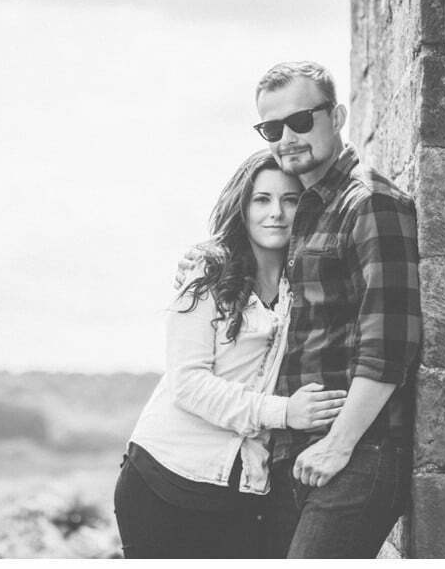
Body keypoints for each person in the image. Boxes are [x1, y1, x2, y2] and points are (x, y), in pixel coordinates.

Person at [175, 61, 422, 558]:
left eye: (302, 121)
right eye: (272, 127)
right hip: (297, 453)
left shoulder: (369, 203)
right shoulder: (308, 210)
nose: (287, 137)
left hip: (357, 452)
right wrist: (208, 259)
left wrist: (341, 443)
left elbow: (391, 340)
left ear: (338, 115)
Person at [114, 150, 348, 559]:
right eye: (262, 199)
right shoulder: (207, 277)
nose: (276, 212)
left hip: (244, 488)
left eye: (290, 199)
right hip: (164, 478)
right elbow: (188, 385)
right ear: (242, 206)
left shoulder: (307, 283)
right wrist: (284, 412)